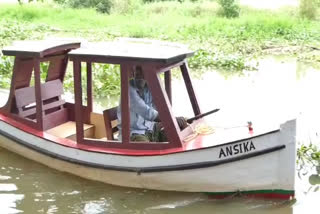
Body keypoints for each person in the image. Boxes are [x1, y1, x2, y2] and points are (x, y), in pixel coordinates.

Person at [117, 65, 187, 142]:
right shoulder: (128, 90)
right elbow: (147, 112)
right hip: (134, 132)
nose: (139, 74)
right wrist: (171, 120)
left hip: (151, 128)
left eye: (142, 72)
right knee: (147, 149)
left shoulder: (150, 87)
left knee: (181, 129)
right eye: (137, 72)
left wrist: (175, 120)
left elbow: (161, 107)